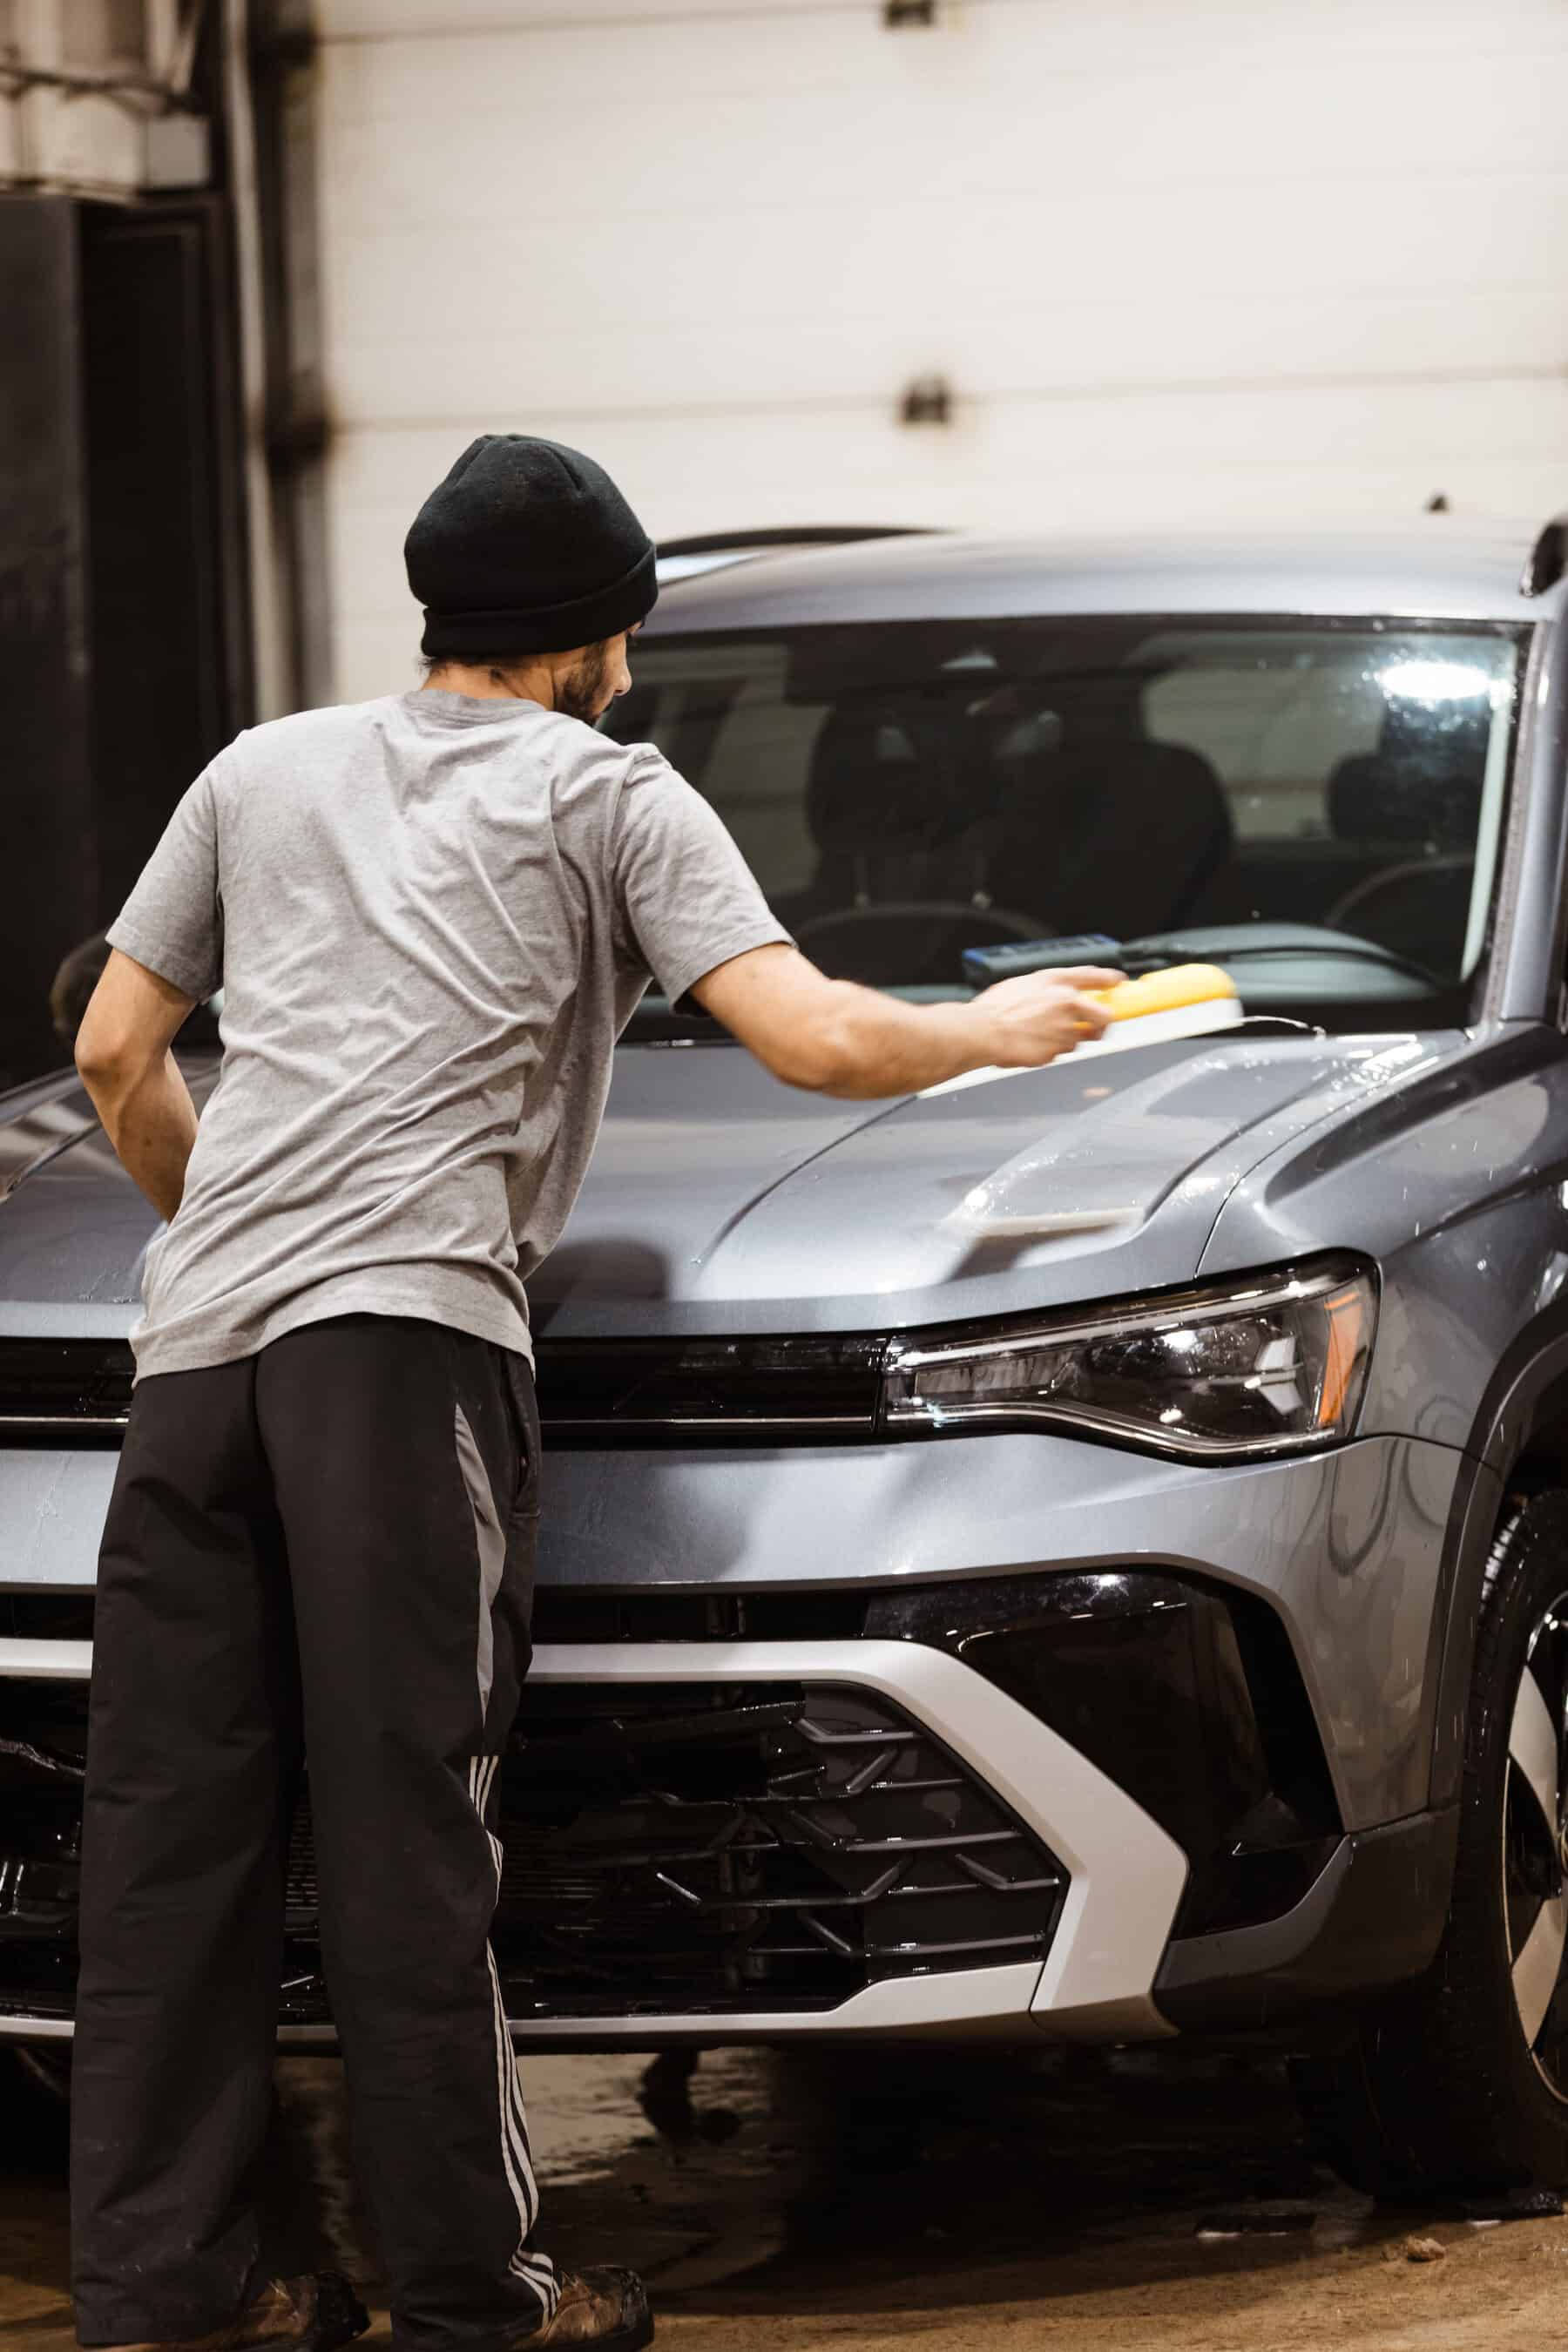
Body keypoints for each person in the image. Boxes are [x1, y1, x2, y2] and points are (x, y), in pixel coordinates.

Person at [68, 433, 1120, 2352]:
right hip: (400, 1358)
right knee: (409, 1831)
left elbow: (116, 1049)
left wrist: (228, 1237)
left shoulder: (262, 767)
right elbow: (812, 1038)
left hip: (194, 1364)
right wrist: (988, 1028)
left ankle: (171, 2292)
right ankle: (474, 2297)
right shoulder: (609, 793)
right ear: (592, 640)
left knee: (168, 1838)